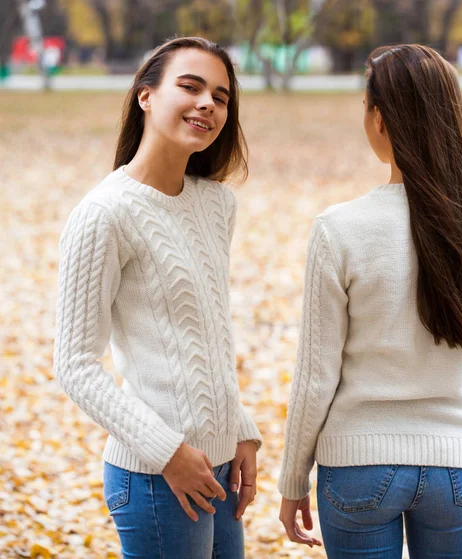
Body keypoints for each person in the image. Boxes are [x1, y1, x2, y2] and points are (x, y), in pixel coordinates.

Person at [278, 44, 462, 559]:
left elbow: (315, 374)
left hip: (357, 466)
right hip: (457, 471)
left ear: (380, 118)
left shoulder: (338, 229)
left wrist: (293, 478)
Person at [53, 37, 262, 559]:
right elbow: (75, 364)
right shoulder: (105, 212)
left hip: (219, 469)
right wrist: (168, 453)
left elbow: (209, 331)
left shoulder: (217, 204)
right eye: (189, 87)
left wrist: (240, 430)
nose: (207, 104)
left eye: (221, 94)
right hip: (155, 478)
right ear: (145, 96)